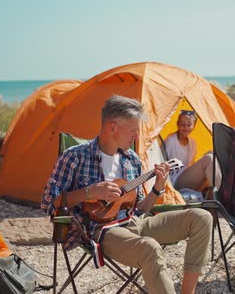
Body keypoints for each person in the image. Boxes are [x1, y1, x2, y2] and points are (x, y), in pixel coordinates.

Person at [41, 95, 212, 294]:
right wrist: (89, 192)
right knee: (150, 247)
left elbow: (141, 209)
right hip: (102, 232)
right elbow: (48, 203)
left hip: (135, 223)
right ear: (113, 127)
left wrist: (157, 188)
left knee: (201, 217)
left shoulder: (131, 159)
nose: (137, 137)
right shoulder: (74, 156)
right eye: (133, 130)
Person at [164, 110, 221, 193]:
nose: (186, 127)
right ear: (178, 124)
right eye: (182, 124)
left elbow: (190, 164)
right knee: (209, 158)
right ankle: (222, 194)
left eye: (189, 124)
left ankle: (214, 192)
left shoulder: (192, 143)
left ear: (194, 126)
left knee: (212, 153)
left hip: (188, 178)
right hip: (176, 181)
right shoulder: (171, 140)